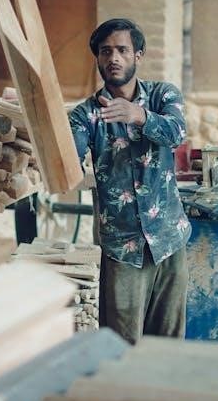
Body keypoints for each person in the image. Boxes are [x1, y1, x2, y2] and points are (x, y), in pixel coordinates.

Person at [68, 18, 191, 344]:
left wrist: (139, 115)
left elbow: (177, 132)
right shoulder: (85, 115)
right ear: (97, 58)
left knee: (168, 344)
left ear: (138, 55)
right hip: (123, 250)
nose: (114, 58)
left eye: (122, 50)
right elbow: (68, 158)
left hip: (169, 240)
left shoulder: (163, 95)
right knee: (121, 347)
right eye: (105, 51)